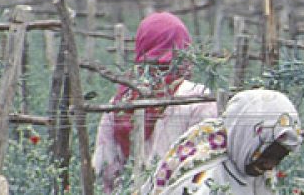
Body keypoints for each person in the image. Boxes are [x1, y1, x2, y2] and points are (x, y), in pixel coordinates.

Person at [91, 12, 218, 192]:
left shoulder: (121, 100)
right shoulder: (199, 97)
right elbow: (207, 168)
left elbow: (105, 170)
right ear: (184, 47)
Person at [141, 89, 303, 194]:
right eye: (267, 155)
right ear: (246, 138)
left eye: (279, 158)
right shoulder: (206, 179)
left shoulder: (256, 171)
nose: (270, 165)